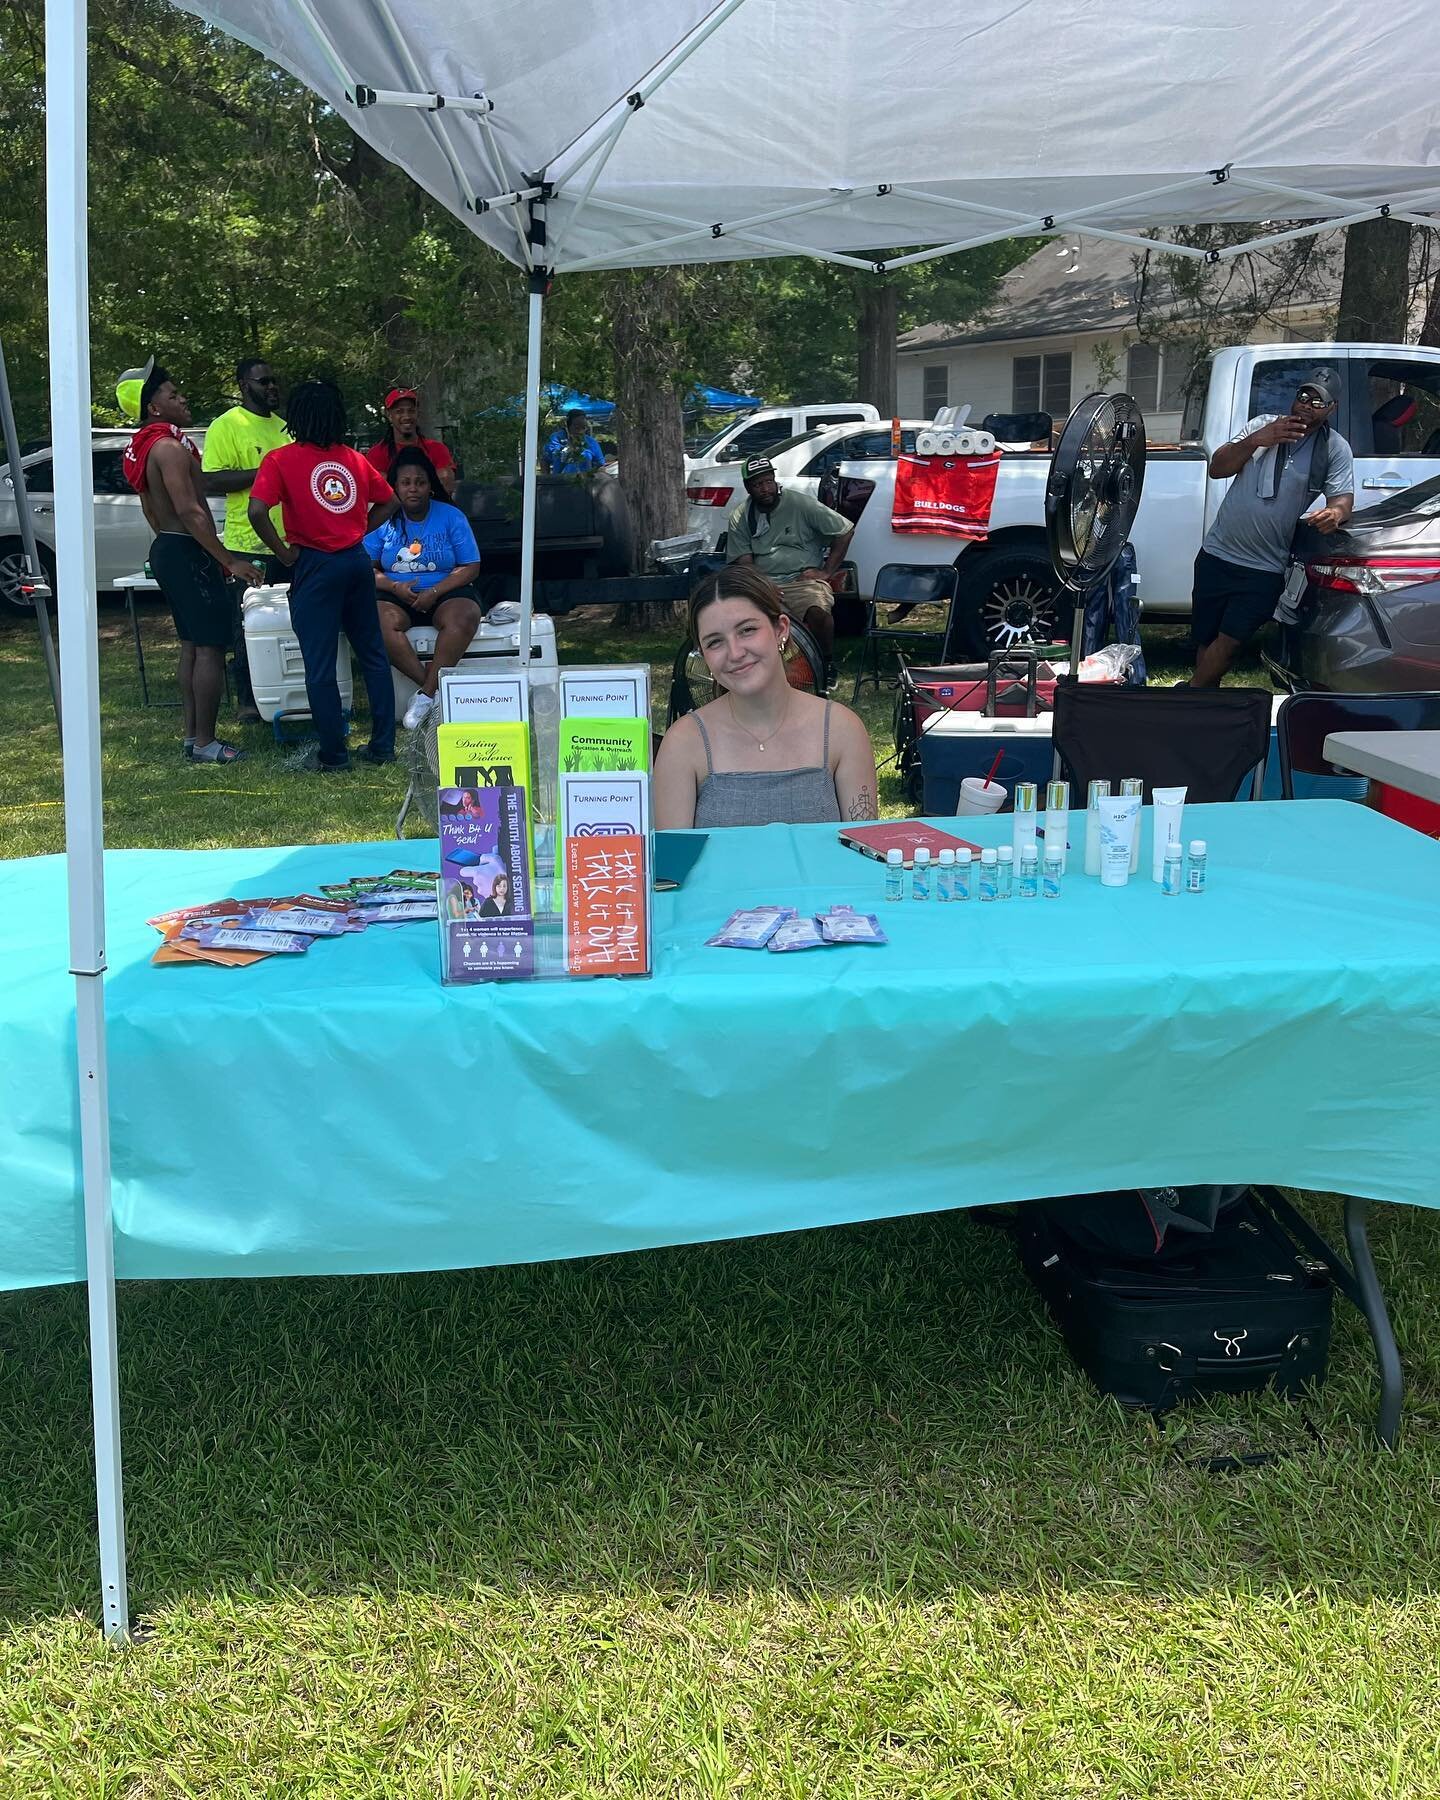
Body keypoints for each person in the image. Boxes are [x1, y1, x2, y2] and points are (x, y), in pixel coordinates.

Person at [247, 381, 399, 772]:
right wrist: (357, 530)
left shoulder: (280, 460)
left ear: (297, 418)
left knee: (319, 662)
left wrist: (281, 552)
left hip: (315, 563)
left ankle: (334, 753)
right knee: (372, 655)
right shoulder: (352, 459)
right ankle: (383, 745)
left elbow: (257, 510)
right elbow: (390, 501)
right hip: (354, 561)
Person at [654, 565, 877, 830]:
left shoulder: (842, 729)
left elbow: (864, 853)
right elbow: (672, 866)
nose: (735, 653)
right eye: (715, 642)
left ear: (781, 629)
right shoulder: (683, 741)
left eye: (747, 630)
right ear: (702, 654)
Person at [118, 359, 261, 764]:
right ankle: (205, 744)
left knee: (191, 646)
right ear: (154, 408)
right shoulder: (168, 448)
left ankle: (192, 737)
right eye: (172, 394)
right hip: (186, 551)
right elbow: (192, 511)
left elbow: (153, 512)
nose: (182, 399)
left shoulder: (147, 446)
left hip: (168, 548)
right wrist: (228, 560)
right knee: (211, 648)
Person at [1190, 369, 1354, 687]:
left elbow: (1343, 500)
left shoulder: (1333, 448)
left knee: (1232, 641)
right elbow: (1218, 469)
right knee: (1205, 638)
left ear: (1331, 408)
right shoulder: (1263, 424)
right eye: (1303, 396)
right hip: (1217, 552)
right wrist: (1257, 439)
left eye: (1318, 401)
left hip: (1264, 567)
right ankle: (1202, 704)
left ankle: (1190, 697)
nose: (1307, 404)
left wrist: (1335, 513)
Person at [364, 445, 483, 732]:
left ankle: (427, 695)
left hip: (445, 592)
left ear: (430, 486)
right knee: (374, 620)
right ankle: (430, 689)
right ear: (394, 487)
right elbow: (365, 568)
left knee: (465, 614)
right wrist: (393, 586)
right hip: (395, 594)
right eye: (405, 483)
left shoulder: (451, 516)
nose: (413, 489)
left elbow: (470, 566)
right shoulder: (382, 519)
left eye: (420, 482)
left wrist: (436, 591)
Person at [200, 356, 292, 721]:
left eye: (274, 381)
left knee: (289, 624)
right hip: (247, 543)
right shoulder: (227, 426)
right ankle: (249, 702)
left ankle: (287, 693)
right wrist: (267, 472)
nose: (271, 387)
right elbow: (212, 481)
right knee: (248, 627)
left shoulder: (286, 428)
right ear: (243, 385)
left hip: (289, 542)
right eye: (262, 381)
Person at [725, 454, 852, 674]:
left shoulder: (799, 503)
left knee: (819, 614)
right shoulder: (740, 516)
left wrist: (826, 571)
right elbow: (744, 563)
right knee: (758, 620)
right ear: (748, 488)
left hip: (803, 580)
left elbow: (845, 530)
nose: (765, 489)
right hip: (765, 584)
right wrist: (763, 584)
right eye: (758, 484)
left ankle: (826, 665)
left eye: (768, 481)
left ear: (775, 480)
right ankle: (770, 669)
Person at [364, 387, 456, 496]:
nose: (406, 416)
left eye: (411, 411)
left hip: (433, 508)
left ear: (417, 413)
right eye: (399, 411)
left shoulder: (437, 449)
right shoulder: (377, 454)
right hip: (393, 511)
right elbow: (377, 493)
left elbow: (447, 484)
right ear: (389, 415)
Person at [542, 409, 605, 475]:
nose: (580, 431)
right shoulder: (556, 439)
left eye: (583, 428)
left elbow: (600, 466)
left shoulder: (591, 443)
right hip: (560, 482)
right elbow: (545, 460)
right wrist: (547, 480)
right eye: (577, 428)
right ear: (568, 426)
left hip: (583, 483)